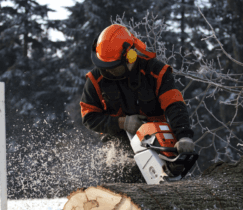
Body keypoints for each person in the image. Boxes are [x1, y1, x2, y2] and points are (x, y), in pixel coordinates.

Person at [80, 24, 195, 183]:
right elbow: (89, 117)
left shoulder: (156, 71)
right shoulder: (95, 80)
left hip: (155, 139)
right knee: (120, 179)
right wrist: (122, 122)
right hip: (117, 144)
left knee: (171, 171)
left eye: (114, 67)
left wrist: (184, 136)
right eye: (104, 66)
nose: (109, 71)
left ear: (130, 56)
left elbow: (173, 103)